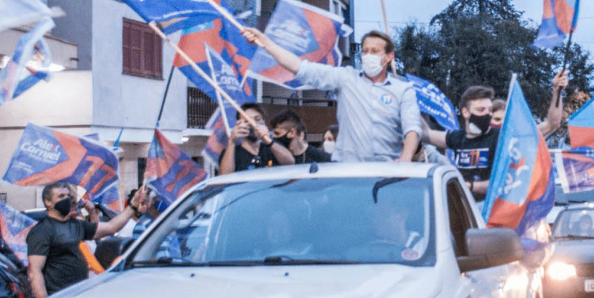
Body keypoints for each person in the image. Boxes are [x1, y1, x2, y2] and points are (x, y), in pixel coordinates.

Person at [241, 28, 422, 163]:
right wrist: (266, 43)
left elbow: (412, 128)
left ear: (389, 56)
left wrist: (405, 159)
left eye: (375, 51)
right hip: (347, 171)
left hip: (387, 172)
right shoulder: (345, 78)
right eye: (365, 51)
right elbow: (300, 67)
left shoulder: (403, 90)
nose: (368, 56)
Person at [422, 72, 567, 200]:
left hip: (494, 212)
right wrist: (407, 101)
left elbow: (551, 124)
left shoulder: (504, 139)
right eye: (481, 110)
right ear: (465, 112)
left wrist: (557, 92)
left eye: (489, 110)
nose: (486, 114)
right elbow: (424, 134)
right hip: (464, 209)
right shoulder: (457, 138)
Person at [26, 182, 143, 298]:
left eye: (67, 196)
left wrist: (133, 206)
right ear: (48, 202)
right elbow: (35, 272)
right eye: (61, 197)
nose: (66, 200)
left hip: (79, 296)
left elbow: (111, 227)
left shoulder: (77, 225)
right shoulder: (42, 231)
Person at [219, 103, 295, 175]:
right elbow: (224, 177)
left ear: (264, 123)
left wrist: (267, 139)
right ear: (239, 125)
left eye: (257, 119)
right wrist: (231, 142)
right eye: (247, 120)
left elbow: (290, 163)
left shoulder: (273, 148)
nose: (253, 124)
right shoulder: (232, 152)